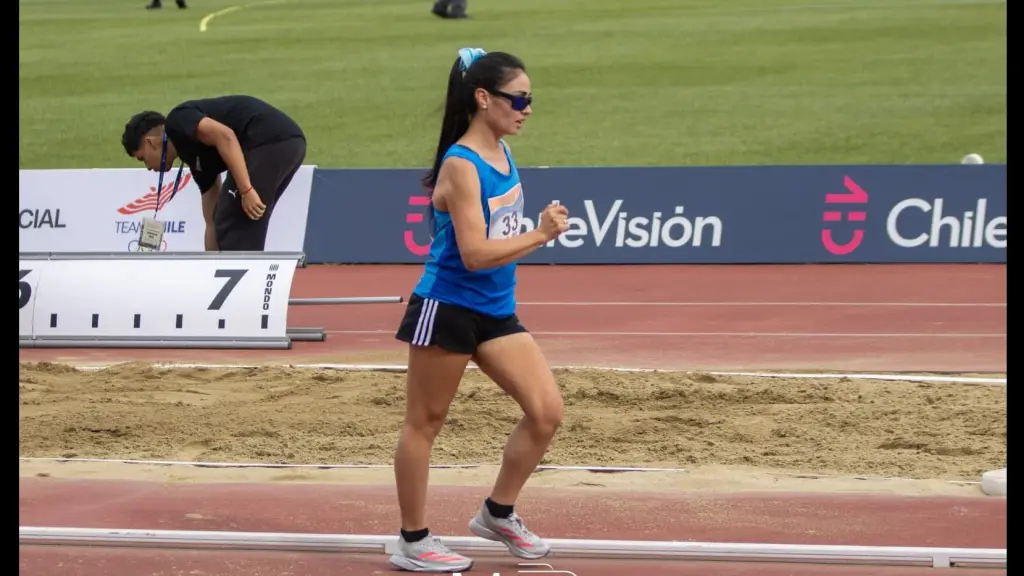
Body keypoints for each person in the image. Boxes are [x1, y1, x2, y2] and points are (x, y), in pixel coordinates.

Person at [389, 47, 570, 573]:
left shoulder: (502, 150)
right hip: (446, 306)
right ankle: (413, 539)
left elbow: (499, 233)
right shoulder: (462, 164)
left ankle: (497, 513)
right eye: (519, 98)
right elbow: (472, 252)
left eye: (530, 98)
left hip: (494, 308)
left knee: (546, 411)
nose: (528, 107)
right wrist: (540, 234)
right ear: (484, 98)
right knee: (425, 422)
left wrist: (532, 228)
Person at [121, 95, 306, 252]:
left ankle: (242, 289)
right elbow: (211, 221)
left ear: (150, 143)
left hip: (269, 139)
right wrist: (210, 265)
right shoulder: (195, 159)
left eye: (142, 158)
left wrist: (246, 189)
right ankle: (236, 283)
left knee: (233, 221)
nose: (147, 167)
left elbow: (225, 136)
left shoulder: (177, 120)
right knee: (235, 220)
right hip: (289, 144)